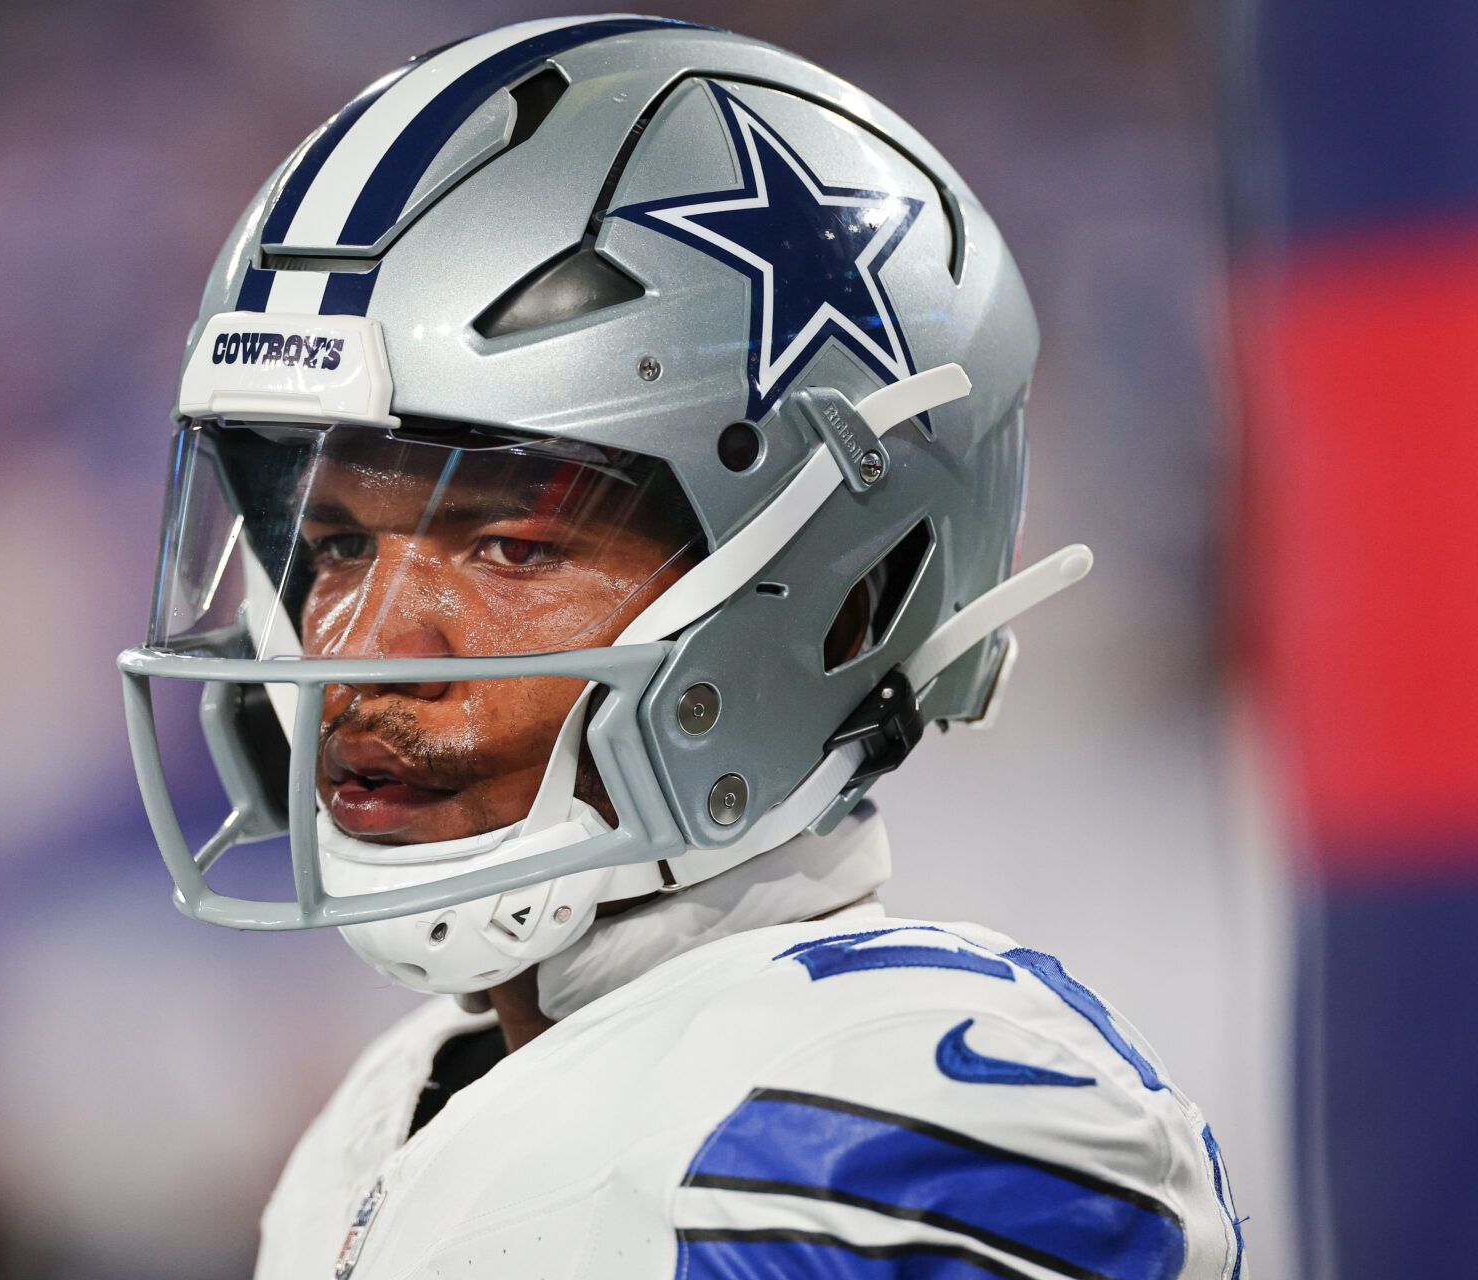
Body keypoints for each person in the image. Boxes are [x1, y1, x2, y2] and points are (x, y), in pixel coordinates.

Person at [117, 16, 1244, 1278]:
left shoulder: (887, 1125)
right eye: (329, 546)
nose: (362, 650)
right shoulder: (384, 1112)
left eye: (507, 548)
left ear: (840, 596)